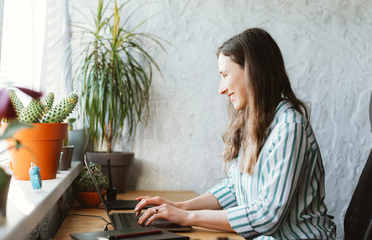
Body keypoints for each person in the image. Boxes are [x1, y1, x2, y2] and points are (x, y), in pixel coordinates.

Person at [134, 28, 337, 240]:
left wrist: (188, 217)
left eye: (225, 75)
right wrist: (179, 207)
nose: (222, 88)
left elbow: (266, 216)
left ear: (252, 72)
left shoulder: (289, 127)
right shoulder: (258, 122)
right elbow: (234, 188)